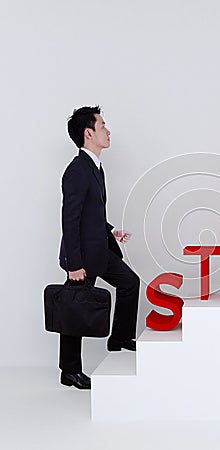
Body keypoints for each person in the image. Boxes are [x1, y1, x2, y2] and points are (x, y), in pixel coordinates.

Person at [58, 105, 140, 390]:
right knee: (74, 309)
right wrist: (73, 264)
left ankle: (119, 337)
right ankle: (70, 371)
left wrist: (110, 231)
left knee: (130, 283)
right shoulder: (77, 171)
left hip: (99, 249)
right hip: (81, 256)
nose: (108, 131)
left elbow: (90, 214)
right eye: (103, 126)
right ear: (88, 133)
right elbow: (70, 220)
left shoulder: (95, 167)